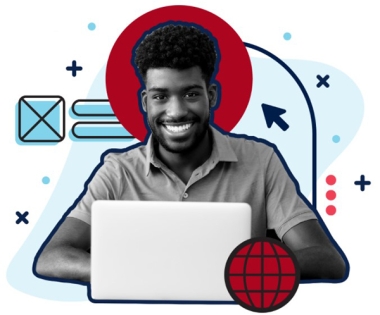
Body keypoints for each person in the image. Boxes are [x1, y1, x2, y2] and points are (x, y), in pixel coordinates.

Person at [35, 24, 346, 283]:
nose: (176, 111)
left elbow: (325, 259)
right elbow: (51, 258)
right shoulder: (118, 171)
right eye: (160, 96)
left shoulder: (260, 160)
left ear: (211, 96)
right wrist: (131, 273)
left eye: (191, 94)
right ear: (146, 102)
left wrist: (243, 269)